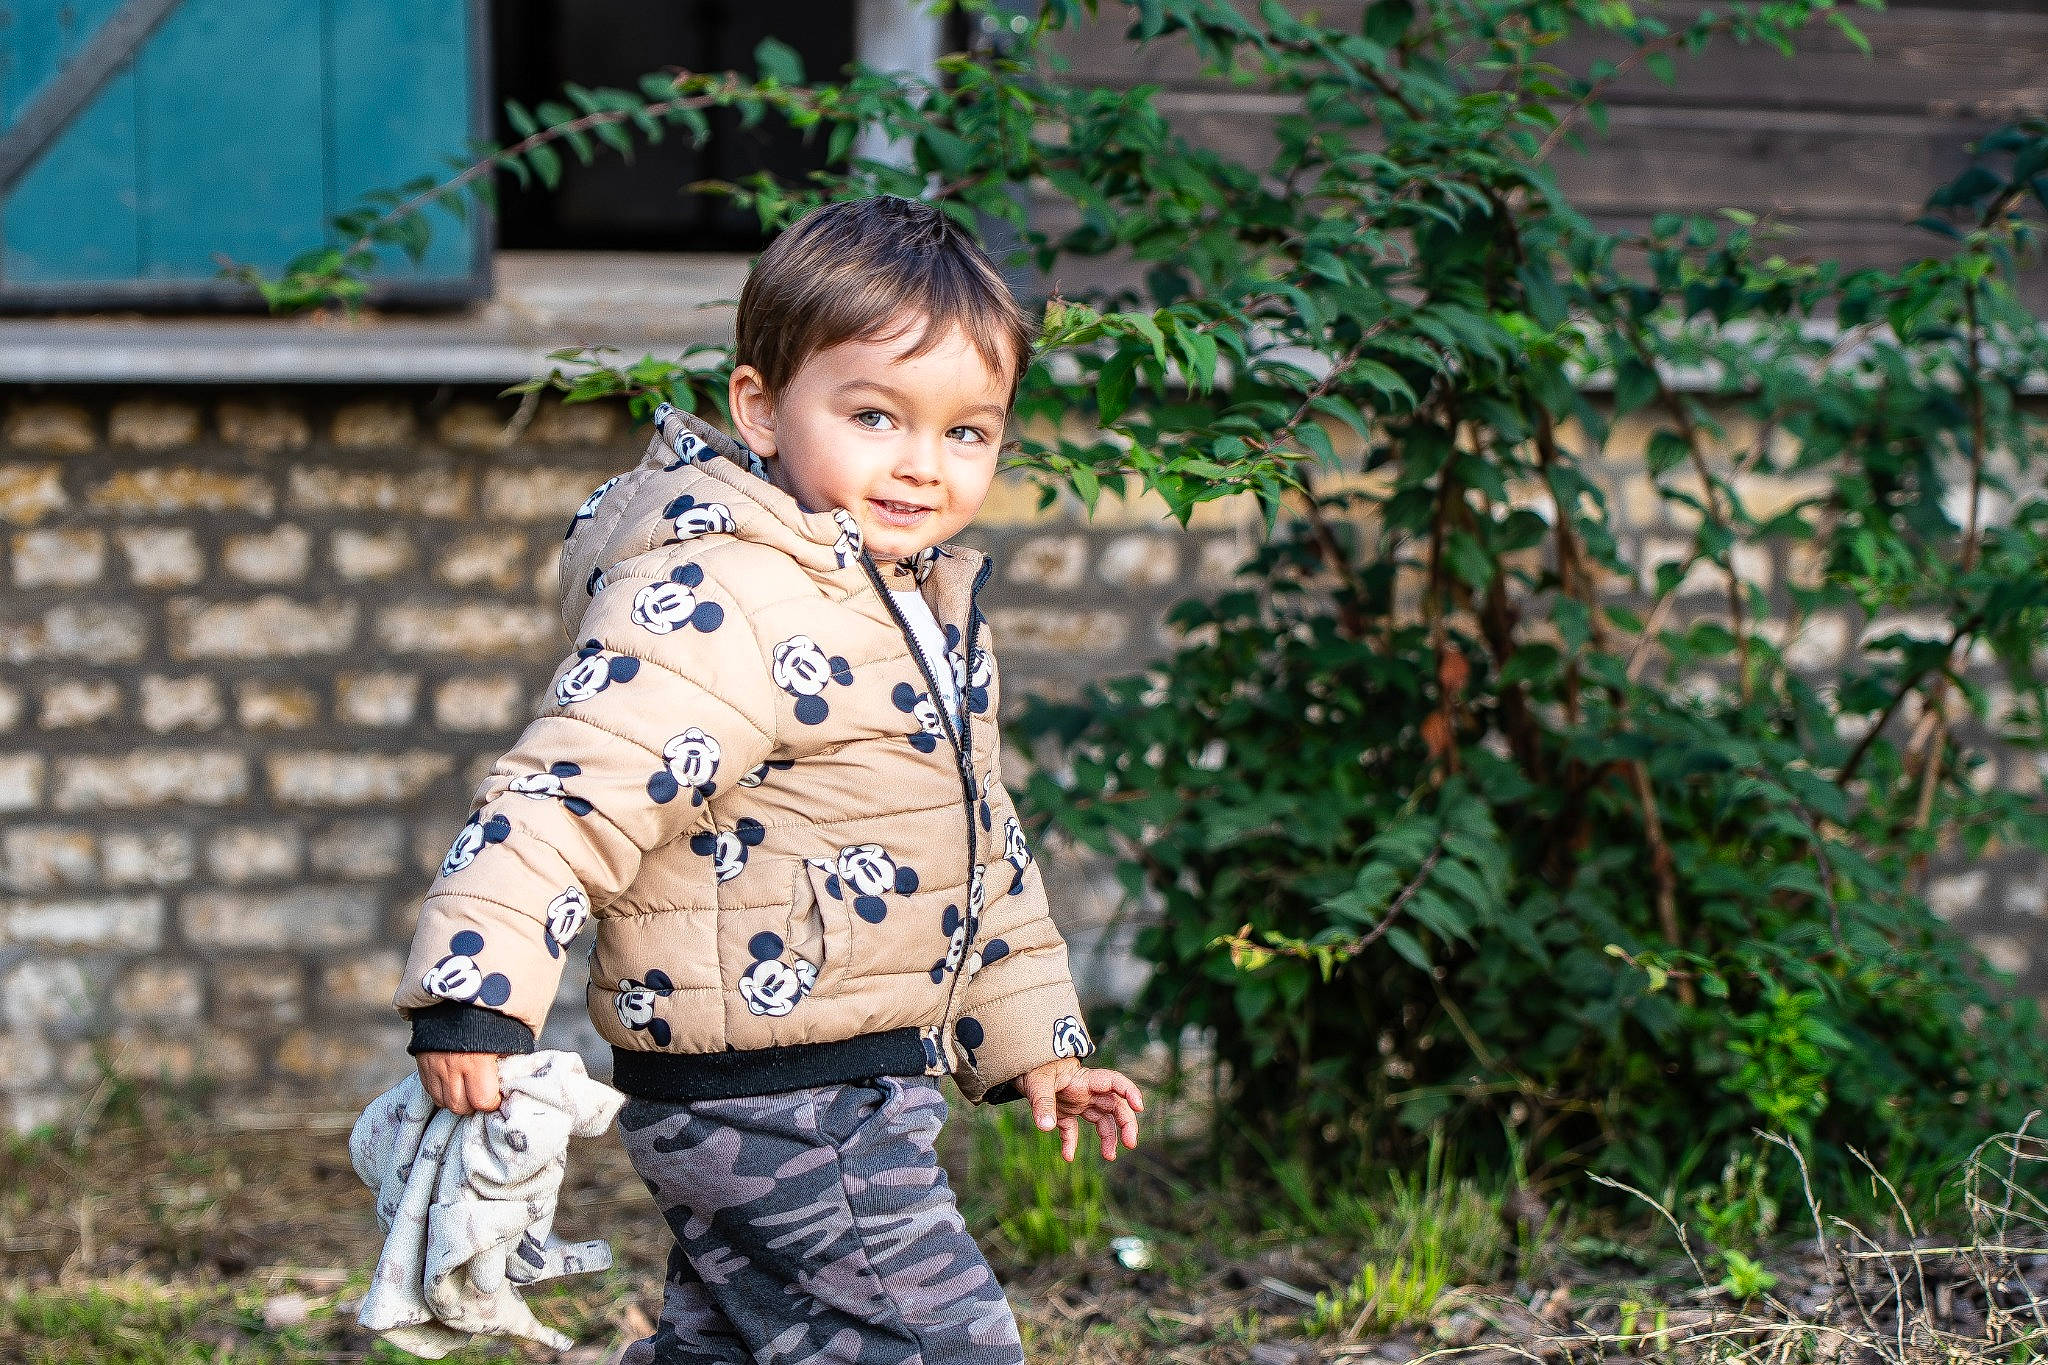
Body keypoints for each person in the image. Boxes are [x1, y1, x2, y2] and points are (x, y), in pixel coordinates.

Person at [391, 194, 1144, 1363]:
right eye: (874, 415)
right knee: (944, 1347)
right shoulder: (722, 596)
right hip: (780, 1094)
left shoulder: (913, 607)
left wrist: (1032, 1038)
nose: (920, 466)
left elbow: (970, 840)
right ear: (761, 408)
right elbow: (564, 795)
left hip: (809, 1078)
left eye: (966, 432)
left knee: (733, 1348)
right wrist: (472, 997)